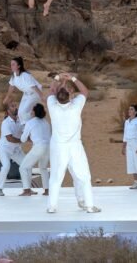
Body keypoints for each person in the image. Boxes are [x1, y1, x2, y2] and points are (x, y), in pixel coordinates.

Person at [46, 72, 99, 214]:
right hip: (75, 147)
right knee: (84, 177)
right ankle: (89, 205)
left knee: (56, 177)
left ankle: (52, 206)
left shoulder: (52, 106)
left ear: (57, 97)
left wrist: (58, 78)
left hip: (58, 147)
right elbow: (84, 91)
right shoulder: (75, 106)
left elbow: (52, 91)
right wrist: (72, 78)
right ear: (70, 96)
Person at [18, 103, 51, 196]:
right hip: (48, 147)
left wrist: (25, 134)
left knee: (23, 167)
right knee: (43, 168)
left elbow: (23, 139)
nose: (30, 112)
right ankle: (47, 190)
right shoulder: (46, 122)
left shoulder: (30, 122)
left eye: (32, 110)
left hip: (38, 147)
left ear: (34, 112)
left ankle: (27, 190)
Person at [0, 101, 25, 196]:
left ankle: (27, 188)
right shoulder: (5, 123)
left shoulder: (21, 121)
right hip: (4, 149)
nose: (15, 108)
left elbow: (26, 133)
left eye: (16, 106)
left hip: (15, 149)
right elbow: (9, 138)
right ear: (8, 111)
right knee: (6, 165)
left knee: (26, 164)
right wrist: (21, 140)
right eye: (12, 106)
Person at [3, 57, 43, 123]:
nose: (11, 66)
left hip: (35, 94)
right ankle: (25, 126)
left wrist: (42, 97)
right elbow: (11, 87)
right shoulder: (14, 75)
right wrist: (6, 98)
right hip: (26, 94)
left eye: (13, 64)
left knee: (24, 112)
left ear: (19, 66)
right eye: (11, 64)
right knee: (20, 113)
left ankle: (33, 124)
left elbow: (34, 87)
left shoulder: (25, 75)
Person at [123, 104, 137, 189]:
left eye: (131, 109)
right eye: (129, 109)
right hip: (129, 144)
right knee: (131, 162)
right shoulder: (127, 122)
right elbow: (125, 135)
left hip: (136, 143)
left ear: (136, 112)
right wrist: (124, 147)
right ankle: (135, 182)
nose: (129, 111)